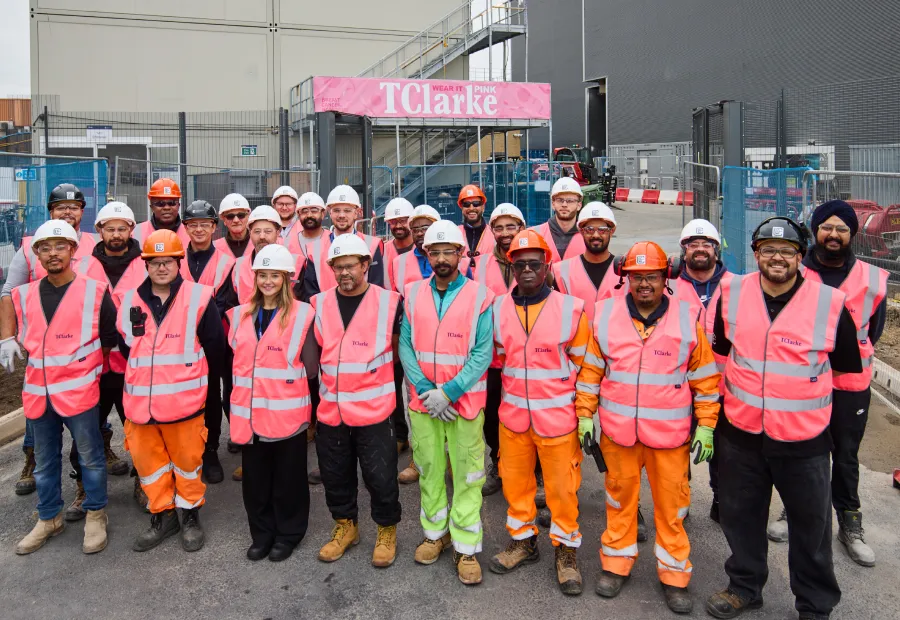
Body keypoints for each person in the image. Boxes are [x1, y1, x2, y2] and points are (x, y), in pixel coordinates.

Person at [705, 216, 862, 620]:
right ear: (756, 254)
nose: (778, 257)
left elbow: (844, 368)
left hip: (803, 442)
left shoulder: (829, 303)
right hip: (741, 435)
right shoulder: (732, 292)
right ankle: (744, 586)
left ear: (800, 256)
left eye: (787, 251)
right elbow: (724, 349)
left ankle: (814, 605)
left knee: (811, 530)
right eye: (769, 250)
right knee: (741, 520)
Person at [575, 241, 721, 614]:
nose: (644, 284)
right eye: (637, 277)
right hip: (618, 434)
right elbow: (591, 371)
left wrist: (706, 425)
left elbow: (705, 379)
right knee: (619, 502)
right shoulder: (605, 315)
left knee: (671, 509)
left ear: (665, 278)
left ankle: (674, 577)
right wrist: (584, 414)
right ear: (625, 279)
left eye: (651, 277)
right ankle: (615, 565)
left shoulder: (688, 318)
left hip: (668, 440)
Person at [765, 201, 886, 569]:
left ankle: (849, 522)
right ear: (815, 232)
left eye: (842, 229)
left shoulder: (872, 278)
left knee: (846, 455)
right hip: (803, 382)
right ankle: (794, 509)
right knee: (801, 451)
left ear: (852, 235)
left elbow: (873, 330)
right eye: (826, 228)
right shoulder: (795, 271)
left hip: (850, 384)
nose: (833, 235)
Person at [4, 220, 115, 556]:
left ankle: (96, 514)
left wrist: (83, 368)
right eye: (45, 248)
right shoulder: (23, 295)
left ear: (72, 251)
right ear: (36, 254)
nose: (52, 253)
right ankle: (48, 517)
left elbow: (108, 340)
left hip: (79, 393)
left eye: (60, 246)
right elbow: (7, 306)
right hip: (38, 394)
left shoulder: (95, 291)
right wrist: (5, 338)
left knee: (91, 458)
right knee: (44, 462)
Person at [488, 229, 589, 596]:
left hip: (558, 420)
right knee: (516, 486)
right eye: (519, 264)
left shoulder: (571, 309)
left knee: (562, 491)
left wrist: (585, 414)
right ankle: (522, 541)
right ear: (511, 267)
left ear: (547, 266)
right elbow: (497, 359)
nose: (527, 270)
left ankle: (566, 552)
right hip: (514, 417)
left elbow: (587, 367)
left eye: (534, 264)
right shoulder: (498, 309)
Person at [116, 229, 226, 553]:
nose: (161, 268)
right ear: (145, 264)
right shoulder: (131, 301)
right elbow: (127, 348)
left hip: (184, 405)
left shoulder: (199, 298)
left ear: (179, 262)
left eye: (167, 261)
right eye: (154, 262)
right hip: (140, 407)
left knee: (187, 464)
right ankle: (163, 516)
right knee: (150, 466)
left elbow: (215, 348)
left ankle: (190, 516)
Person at [399, 220, 494, 585]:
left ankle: (466, 546)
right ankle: (435, 534)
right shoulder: (412, 293)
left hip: (463, 404)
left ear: (461, 254)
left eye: (447, 251)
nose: (440, 258)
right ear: (426, 255)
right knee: (429, 470)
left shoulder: (480, 296)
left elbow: (482, 352)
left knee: (469, 474)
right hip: (424, 404)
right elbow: (406, 345)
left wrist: (449, 392)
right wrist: (427, 390)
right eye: (434, 252)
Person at [1, 183, 100, 496]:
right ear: (51, 211)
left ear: (82, 212)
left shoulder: (94, 243)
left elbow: (101, 296)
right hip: (44, 346)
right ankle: (32, 459)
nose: (68, 212)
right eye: (61, 207)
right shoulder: (31, 245)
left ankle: (89, 476)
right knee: (39, 411)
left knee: (88, 415)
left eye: (74, 207)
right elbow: (9, 292)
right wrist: (7, 336)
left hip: (82, 348)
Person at [311, 234, 402, 569]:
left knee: (380, 476)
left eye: (350, 265)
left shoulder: (390, 302)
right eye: (338, 267)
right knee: (336, 475)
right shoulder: (318, 303)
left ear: (366, 265)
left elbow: (395, 350)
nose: (344, 272)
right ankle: (346, 526)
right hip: (332, 410)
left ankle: (386, 529)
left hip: (374, 410)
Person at [226, 244, 318, 562]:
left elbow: (311, 367)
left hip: (286, 415)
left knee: (288, 480)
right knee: (256, 481)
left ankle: (289, 533)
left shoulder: (303, 314)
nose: (267, 281)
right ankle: (262, 534)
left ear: (287, 279)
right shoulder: (240, 315)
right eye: (262, 275)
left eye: (274, 276)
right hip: (249, 416)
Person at [77, 202, 147, 516]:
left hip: (133, 364)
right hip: (93, 365)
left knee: (139, 428)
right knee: (87, 430)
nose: (116, 234)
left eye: (122, 228)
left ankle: (144, 481)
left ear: (132, 230)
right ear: (100, 230)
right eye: (110, 228)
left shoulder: (146, 264)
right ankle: (85, 488)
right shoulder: (82, 266)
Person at [674, 218, 732, 523]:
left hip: (724, 387)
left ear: (716, 249)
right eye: (692, 245)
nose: (699, 250)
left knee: (722, 451)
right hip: (681, 386)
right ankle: (679, 499)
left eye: (705, 244)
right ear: (684, 250)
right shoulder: (669, 287)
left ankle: (721, 497)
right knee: (678, 448)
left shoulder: (736, 286)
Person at [180, 199, 238, 485]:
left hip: (216, 340)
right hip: (179, 341)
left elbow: (227, 303)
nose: (199, 229)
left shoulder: (227, 263)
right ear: (185, 228)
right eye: (193, 225)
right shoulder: (176, 259)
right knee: (185, 395)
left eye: (205, 224)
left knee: (211, 395)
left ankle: (210, 450)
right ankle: (187, 447)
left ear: (214, 227)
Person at [472, 203, 525, 497]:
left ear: (521, 228)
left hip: (523, 355)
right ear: (492, 231)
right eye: (499, 227)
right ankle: (498, 464)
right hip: (489, 354)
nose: (505, 233)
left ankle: (534, 470)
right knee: (491, 415)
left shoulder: (534, 260)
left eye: (511, 226)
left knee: (525, 415)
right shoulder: (479, 264)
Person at [381, 197, 416, 472]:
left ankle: (420, 445)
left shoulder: (425, 250)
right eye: (393, 221)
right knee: (392, 385)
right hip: (396, 327)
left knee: (416, 388)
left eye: (403, 220)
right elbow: (389, 294)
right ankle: (400, 436)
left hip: (421, 332)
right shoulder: (385, 251)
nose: (398, 225)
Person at [302, 185, 384, 300]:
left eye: (347, 210)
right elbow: (310, 292)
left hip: (363, 313)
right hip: (326, 313)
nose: (341, 215)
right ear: (329, 213)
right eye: (336, 210)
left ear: (357, 213)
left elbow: (376, 287)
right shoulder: (314, 249)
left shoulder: (372, 245)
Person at [551, 201, 624, 322]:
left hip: (615, 341)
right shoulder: (561, 273)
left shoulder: (625, 272)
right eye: (589, 229)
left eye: (602, 230)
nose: (596, 235)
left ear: (611, 232)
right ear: (581, 232)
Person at [232, 205, 305, 305]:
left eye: (268, 231)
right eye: (257, 231)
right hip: (247, 319)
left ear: (278, 232)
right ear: (250, 233)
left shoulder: (298, 264)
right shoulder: (238, 265)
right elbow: (232, 304)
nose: (262, 236)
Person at [530, 177, 586, 263]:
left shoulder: (588, 236)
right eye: (560, 200)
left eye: (570, 201)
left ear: (579, 205)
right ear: (553, 204)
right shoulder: (534, 234)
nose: (564, 204)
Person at [132, 178, 190, 248]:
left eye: (171, 203)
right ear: (152, 207)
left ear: (178, 206)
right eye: (160, 203)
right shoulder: (135, 233)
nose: (166, 208)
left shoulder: (192, 232)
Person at [457, 184, 495, 258]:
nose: (471, 208)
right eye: (466, 204)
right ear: (461, 208)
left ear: (483, 207)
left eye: (476, 204)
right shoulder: (455, 233)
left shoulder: (494, 233)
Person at [285, 192, 327, 256]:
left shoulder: (332, 239)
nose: (309, 215)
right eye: (304, 211)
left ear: (323, 214)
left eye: (314, 211)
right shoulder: (288, 243)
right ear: (298, 215)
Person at [214, 193, 253, 259]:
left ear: (248, 217)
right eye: (230, 216)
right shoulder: (214, 248)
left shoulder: (258, 244)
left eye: (241, 215)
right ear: (224, 220)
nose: (236, 220)